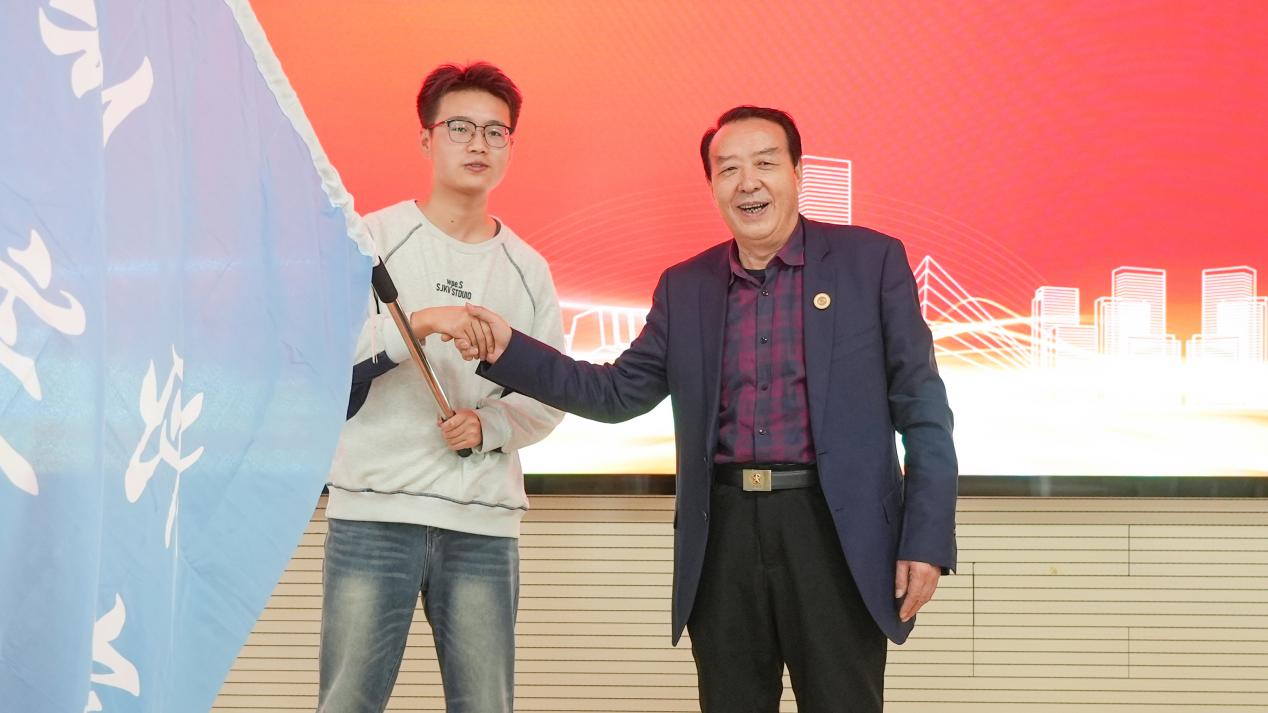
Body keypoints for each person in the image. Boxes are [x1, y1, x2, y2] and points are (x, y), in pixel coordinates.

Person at [458, 106, 957, 712]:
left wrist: (925, 538)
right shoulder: (686, 286)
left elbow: (924, 411)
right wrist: (509, 349)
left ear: (797, 172)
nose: (748, 182)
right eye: (728, 169)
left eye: (765, 163)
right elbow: (616, 393)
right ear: (713, 186)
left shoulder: (870, 263)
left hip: (835, 534)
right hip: (723, 538)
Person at [318, 62, 565, 713]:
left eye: (495, 132)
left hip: (481, 523)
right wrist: (422, 323)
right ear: (426, 138)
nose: (479, 144)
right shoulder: (373, 241)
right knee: (347, 703)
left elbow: (549, 397)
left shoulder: (528, 269)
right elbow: (326, 359)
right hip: (375, 513)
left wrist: (489, 427)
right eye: (460, 127)